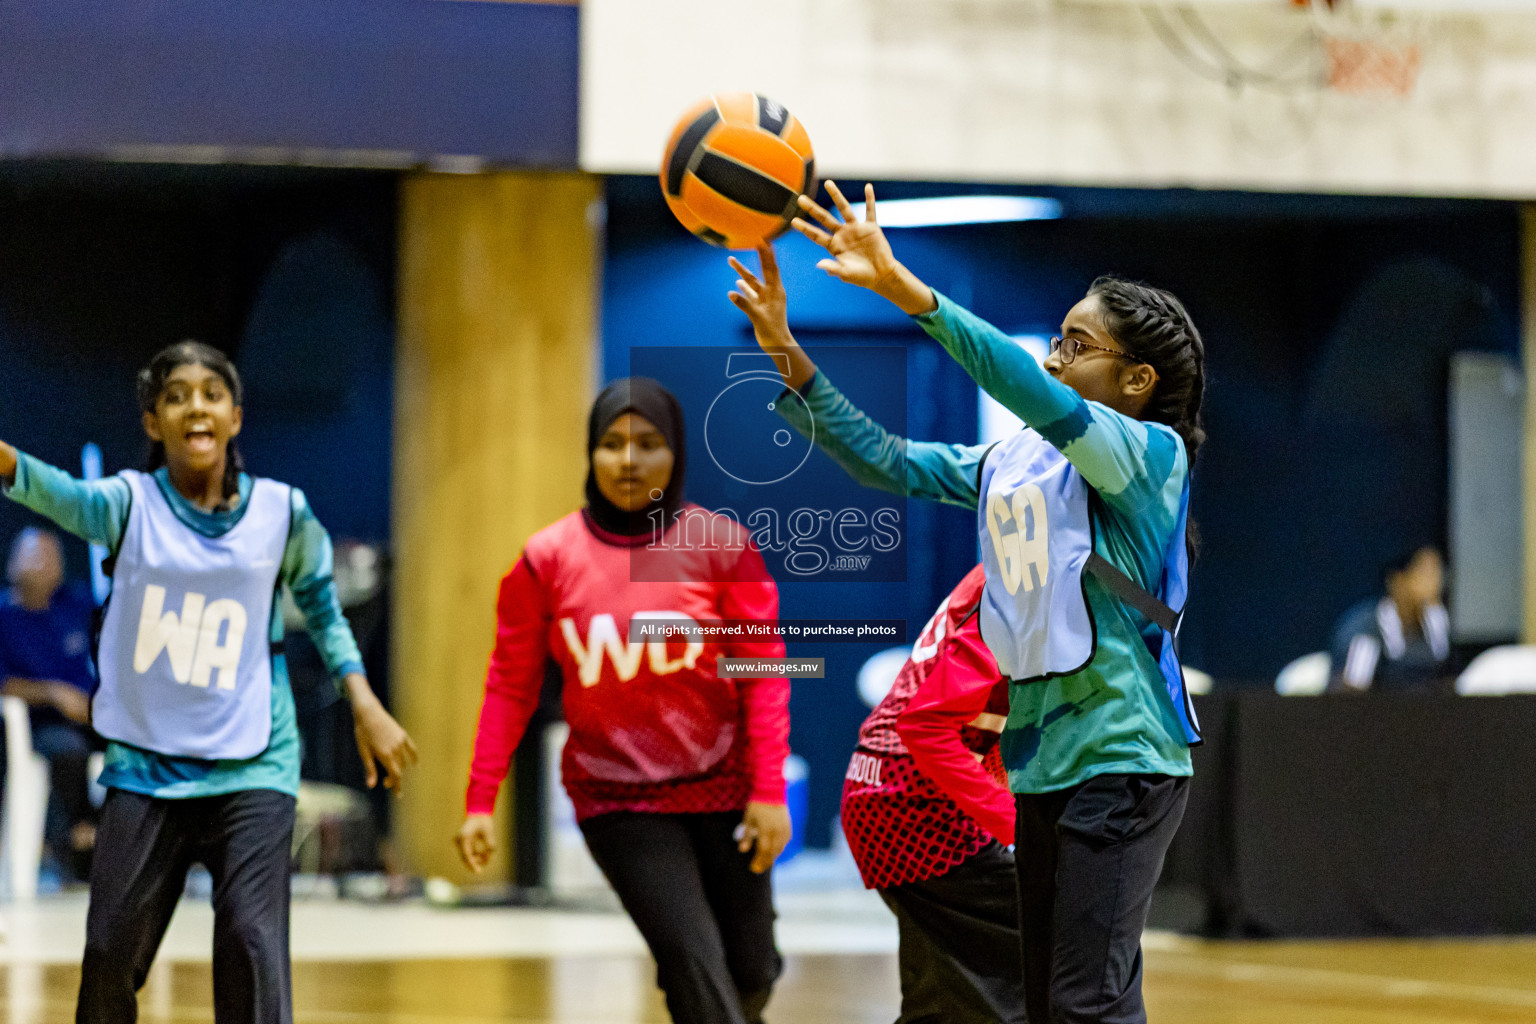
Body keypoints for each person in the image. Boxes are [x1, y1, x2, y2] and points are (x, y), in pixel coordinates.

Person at [727, 182, 1206, 1024]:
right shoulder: (1018, 461)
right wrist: (788, 356)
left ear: (1136, 380)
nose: (1055, 357)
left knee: (1082, 1004)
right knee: (1064, 1004)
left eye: (1078, 344)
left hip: (1124, 762)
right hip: (1041, 766)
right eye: (1055, 339)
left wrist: (904, 290)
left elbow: (1032, 389)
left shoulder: (1150, 455)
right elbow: (888, 461)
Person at [0, 340, 417, 1024]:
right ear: (152, 423)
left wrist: (364, 700)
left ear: (235, 417)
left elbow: (321, 605)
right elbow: (57, 491)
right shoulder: (126, 505)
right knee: (108, 953)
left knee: (253, 947)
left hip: (254, 760)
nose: (196, 405)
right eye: (176, 396)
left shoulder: (283, 512)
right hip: (147, 766)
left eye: (211, 394)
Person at [454, 378, 792, 1024]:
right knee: (690, 956)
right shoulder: (547, 558)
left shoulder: (721, 545)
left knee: (751, 969)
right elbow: (509, 684)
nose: (629, 460)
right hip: (618, 797)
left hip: (725, 787)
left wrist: (769, 790)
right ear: (590, 454)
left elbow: (764, 672)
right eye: (611, 444)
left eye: (648, 443)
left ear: (677, 454)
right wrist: (479, 798)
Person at [841, 564, 1025, 1023]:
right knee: (1044, 937)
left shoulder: (1006, 569)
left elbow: (992, 712)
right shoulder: (1021, 580)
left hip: (882, 788)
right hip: (911, 801)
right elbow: (927, 728)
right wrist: (1019, 825)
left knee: (942, 994)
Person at [0, 526, 100, 882]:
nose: (45, 563)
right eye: (35, 554)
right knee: (68, 750)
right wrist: (56, 694)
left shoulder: (78, 603)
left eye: (51, 556)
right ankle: (79, 838)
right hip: (38, 725)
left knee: (145, 741)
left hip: (94, 714)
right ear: (13, 563)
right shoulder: (4, 615)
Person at [1330, 545, 1450, 692]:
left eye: (1438, 573)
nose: (1435, 583)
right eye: (1426, 573)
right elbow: (1351, 692)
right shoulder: (1366, 628)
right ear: (1397, 580)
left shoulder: (1437, 622)